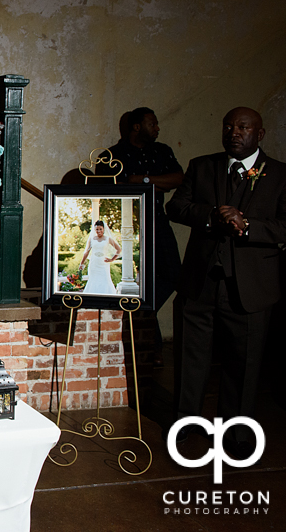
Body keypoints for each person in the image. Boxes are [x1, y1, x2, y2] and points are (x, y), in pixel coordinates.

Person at [166, 107, 286, 456]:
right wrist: (211, 215)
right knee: (191, 360)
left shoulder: (279, 175)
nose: (234, 132)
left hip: (250, 289)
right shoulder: (202, 166)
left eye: (244, 127)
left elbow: (284, 226)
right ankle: (184, 427)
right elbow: (176, 208)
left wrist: (247, 226)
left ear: (259, 135)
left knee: (243, 365)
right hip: (199, 284)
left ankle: (235, 435)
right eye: (229, 126)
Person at [105, 107, 184, 365]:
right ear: (137, 127)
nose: (158, 128)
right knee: (136, 283)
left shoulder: (162, 151)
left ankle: (143, 313)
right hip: (127, 228)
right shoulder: (112, 156)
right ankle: (153, 348)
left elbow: (178, 179)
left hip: (158, 223)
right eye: (153, 123)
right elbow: (109, 189)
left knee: (173, 275)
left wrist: (144, 179)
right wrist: (145, 182)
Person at [77, 220, 121, 294]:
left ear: (103, 229)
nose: (99, 231)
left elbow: (118, 249)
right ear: (95, 229)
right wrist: (81, 264)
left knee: (105, 280)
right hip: (94, 264)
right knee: (93, 280)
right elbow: (86, 252)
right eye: (97, 229)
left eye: (100, 229)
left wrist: (112, 259)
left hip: (104, 264)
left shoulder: (108, 239)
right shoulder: (91, 239)